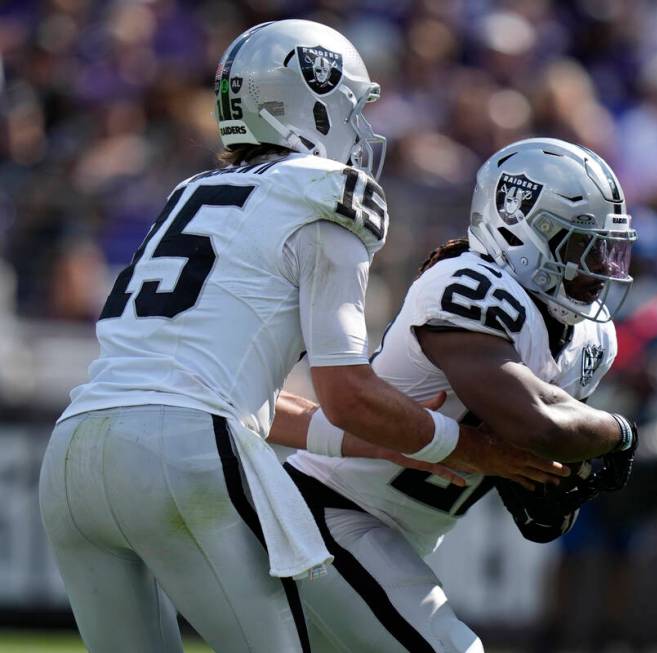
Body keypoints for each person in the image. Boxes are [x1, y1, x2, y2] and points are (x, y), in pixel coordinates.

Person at [37, 21, 562, 653]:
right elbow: (345, 391)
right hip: (182, 453)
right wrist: (457, 446)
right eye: (352, 105)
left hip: (73, 453)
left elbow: (227, 398)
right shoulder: (326, 192)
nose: (362, 126)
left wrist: (378, 444)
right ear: (311, 101)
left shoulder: (190, 190)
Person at [271, 138, 639, 652]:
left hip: (396, 536)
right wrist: (620, 433)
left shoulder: (587, 338)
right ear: (522, 230)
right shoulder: (467, 286)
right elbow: (536, 424)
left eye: (606, 248)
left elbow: (536, 497)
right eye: (581, 246)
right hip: (332, 510)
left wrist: (552, 491)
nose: (597, 268)